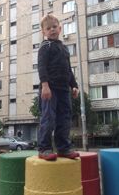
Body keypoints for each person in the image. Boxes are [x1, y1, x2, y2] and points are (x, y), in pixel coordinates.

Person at [37, 14, 80, 161]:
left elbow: (68, 69)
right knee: (48, 118)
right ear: (44, 32)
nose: (52, 30)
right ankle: (44, 148)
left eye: (54, 27)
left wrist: (74, 85)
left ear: (60, 28)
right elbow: (42, 67)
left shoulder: (64, 48)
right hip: (50, 89)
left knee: (65, 118)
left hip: (64, 90)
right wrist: (45, 86)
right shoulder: (45, 46)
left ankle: (63, 148)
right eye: (48, 28)